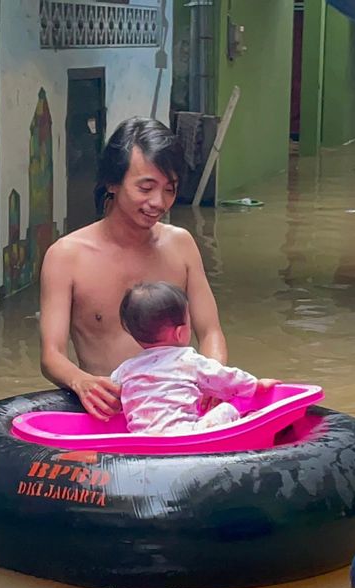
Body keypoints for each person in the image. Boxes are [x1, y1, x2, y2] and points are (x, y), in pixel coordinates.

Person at [39, 116, 228, 420]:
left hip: (178, 410)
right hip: (112, 414)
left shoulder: (181, 245)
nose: (158, 202)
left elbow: (211, 332)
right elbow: (51, 355)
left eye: (170, 189)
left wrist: (214, 379)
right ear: (112, 183)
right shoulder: (66, 256)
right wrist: (80, 380)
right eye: (146, 187)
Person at [111, 282, 277, 434]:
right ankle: (248, 426)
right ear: (180, 333)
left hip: (142, 441)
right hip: (186, 435)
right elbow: (223, 376)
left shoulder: (125, 370)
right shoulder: (187, 360)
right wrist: (255, 385)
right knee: (228, 409)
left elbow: (113, 392)